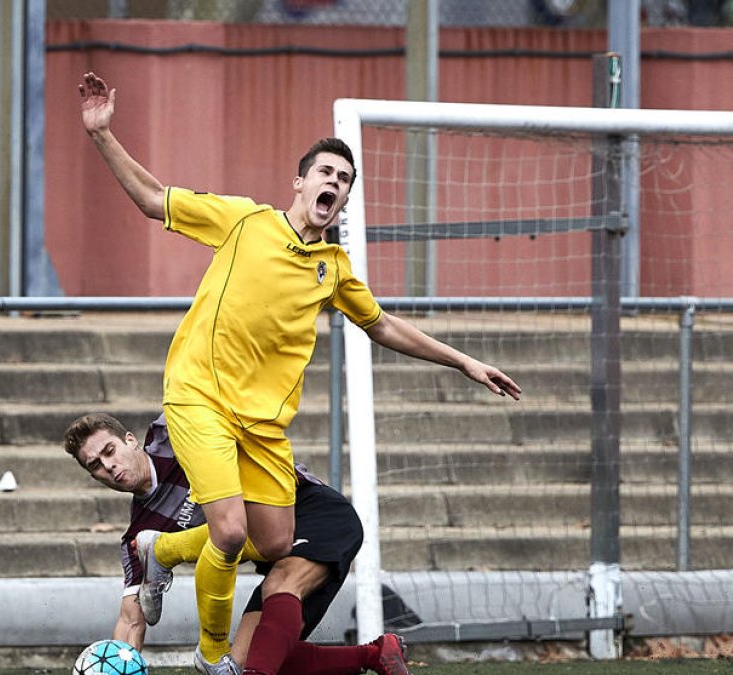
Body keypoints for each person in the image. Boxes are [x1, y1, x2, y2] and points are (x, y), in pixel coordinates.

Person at [79, 71, 522, 674]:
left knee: (274, 543)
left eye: (344, 179)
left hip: (263, 427)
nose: (334, 183)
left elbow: (383, 325)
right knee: (228, 532)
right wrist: (102, 134)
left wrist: (464, 360)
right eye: (325, 173)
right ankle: (213, 659)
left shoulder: (333, 268)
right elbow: (155, 199)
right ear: (300, 182)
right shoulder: (244, 221)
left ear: (345, 199)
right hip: (199, 398)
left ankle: (165, 551)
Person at [64, 413, 411, 675]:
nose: (109, 465)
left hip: (308, 508)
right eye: (96, 465)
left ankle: (168, 550)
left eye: (109, 450)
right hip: (276, 552)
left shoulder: (174, 428)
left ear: (130, 440)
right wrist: (116, 666)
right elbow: (131, 621)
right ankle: (376, 654)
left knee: (279, 585)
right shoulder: (137, 535)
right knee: (247, 659)